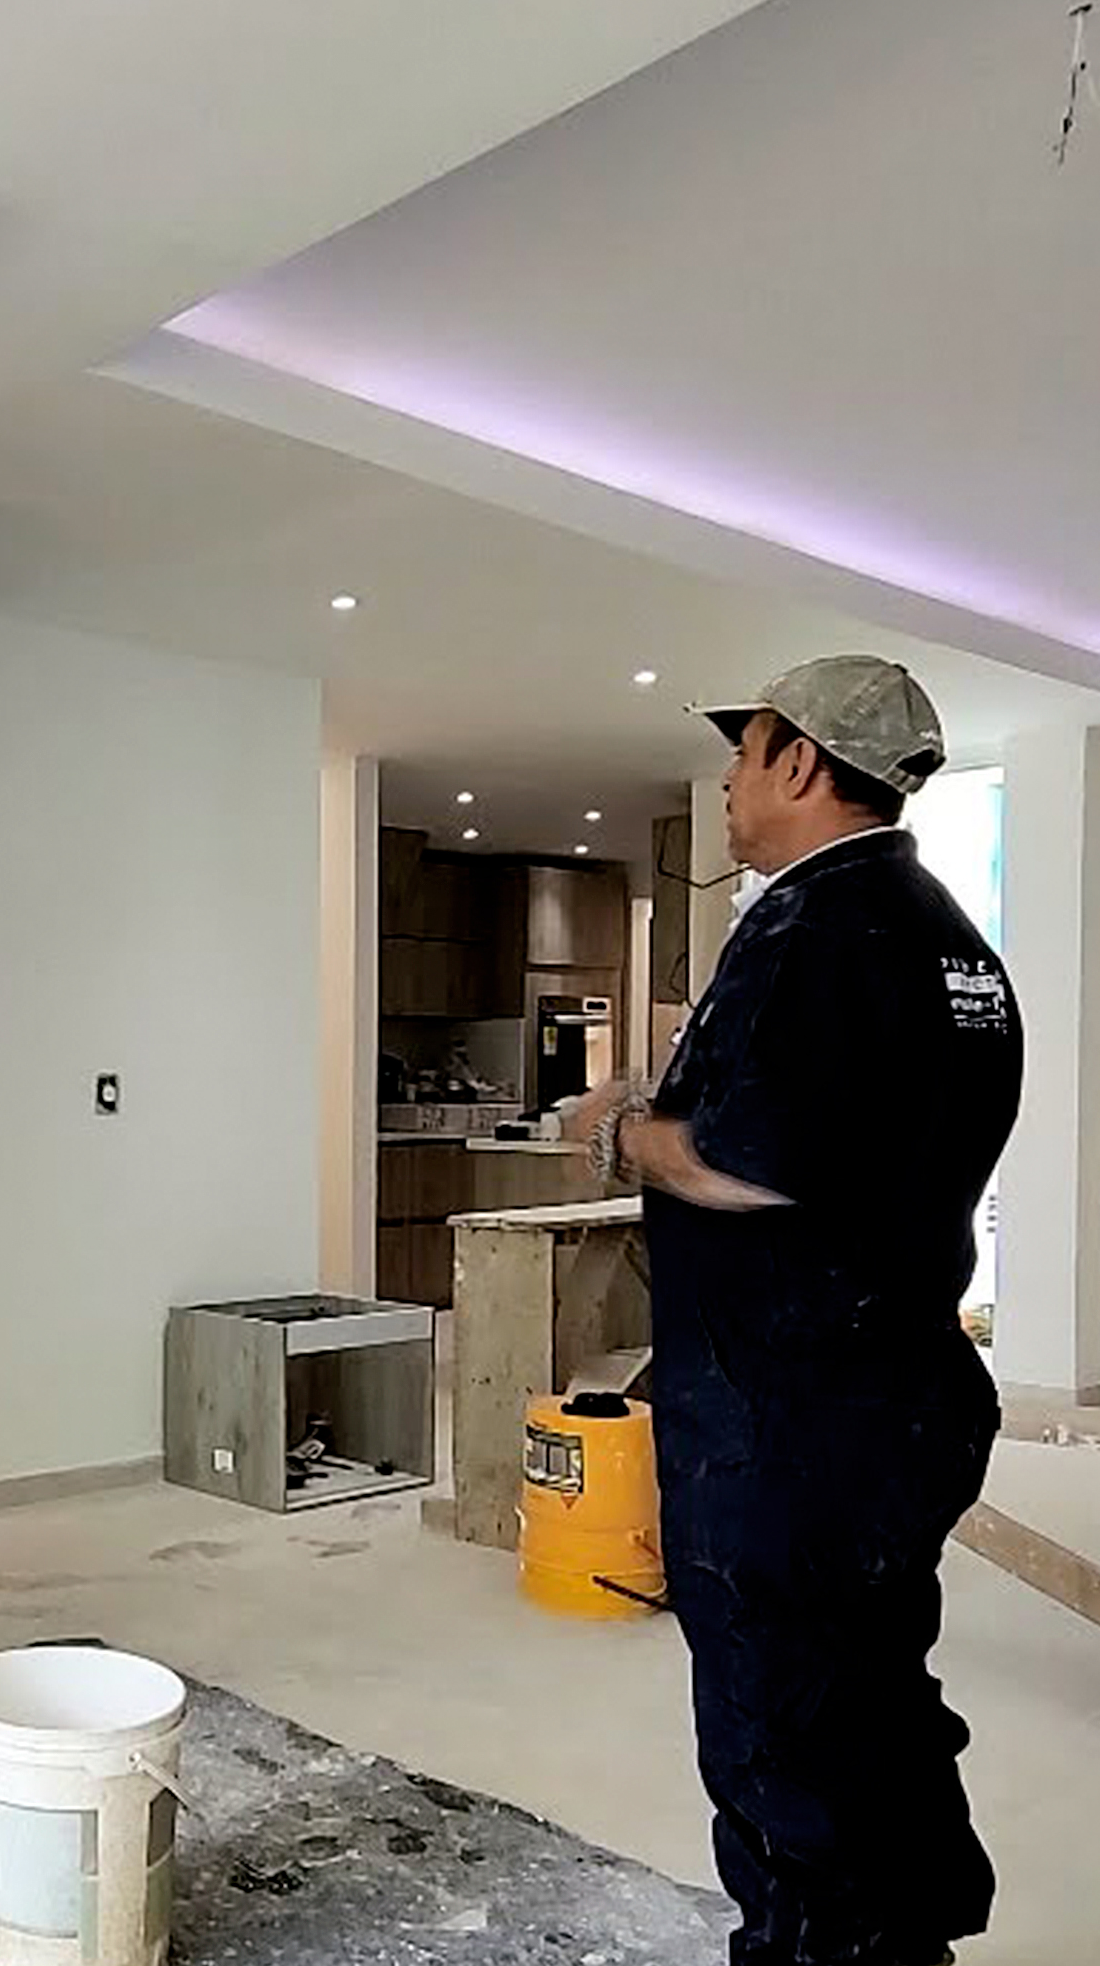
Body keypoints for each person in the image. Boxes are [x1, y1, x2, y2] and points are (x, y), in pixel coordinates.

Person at [563, 655, 1021, 1966]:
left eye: (744, 749)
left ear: (803, 763)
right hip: (902, 1395)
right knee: (873, 1691)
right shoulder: (953, 941)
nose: (726, 779)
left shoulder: (810, 924)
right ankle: (909, 1938)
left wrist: (618, 1132)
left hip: (787, 1418)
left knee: (780, 1727)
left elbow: (746, 1157)